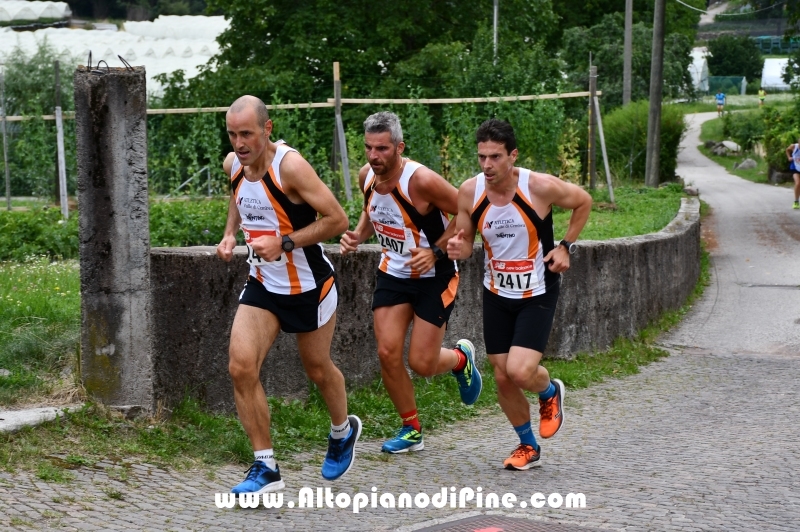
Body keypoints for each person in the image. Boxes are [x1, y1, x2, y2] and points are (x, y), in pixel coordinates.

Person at [217, 95, 360, 494]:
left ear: (268, 128)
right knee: (241, 367)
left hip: (309, 286)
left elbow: (337, 219)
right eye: (232, 134)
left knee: (317, 368)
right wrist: (230, 233)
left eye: (247, 133)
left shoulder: (290, 168)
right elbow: (238, 195)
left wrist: (285, 243)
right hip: (263, 284)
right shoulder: (234, 165)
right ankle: (266, 469)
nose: (239, 143)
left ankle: (342, 430)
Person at [447, 119, 592, 471]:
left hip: (538, 290)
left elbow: (583, 202)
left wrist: (565, 246)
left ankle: (548, 391)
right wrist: (458, 246)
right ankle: (528, 445)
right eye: (481, 157)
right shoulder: (470, 191)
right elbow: (465, 243)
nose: (487, 165)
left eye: (495, 157)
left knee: (520, 371)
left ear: (513, 156)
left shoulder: (538, 186)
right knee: (501, 375)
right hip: (496, 292)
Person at [339, 111, 482, 453]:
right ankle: (411, 428)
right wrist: (359, 234)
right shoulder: (367, 177)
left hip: (435, 276)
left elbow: (469, 211)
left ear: (399, 147)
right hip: (393, 272)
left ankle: (461, 360)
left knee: (422, 363)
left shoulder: (421, 181)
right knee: (387, 352)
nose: (374, 156)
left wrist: (435, 251)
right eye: (369, 148)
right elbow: (373, 210)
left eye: (383, 149)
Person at [784, 138, 800, 209]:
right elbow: (787, 150)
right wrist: (789, 157)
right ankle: (796, 202)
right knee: (798, 183)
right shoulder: (794, 146)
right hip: (795, 167)